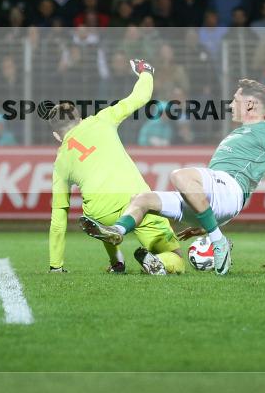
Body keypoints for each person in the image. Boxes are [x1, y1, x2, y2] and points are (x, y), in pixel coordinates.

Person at [82, 78, 265, 276]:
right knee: (142, 199)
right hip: (215, 198)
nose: (231, 105)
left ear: (250, 104)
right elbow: (224, 203)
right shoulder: (237, 133)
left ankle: (218, 242)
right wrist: (207, 222)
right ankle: (116, 231)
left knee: (180, 176)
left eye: (235, 100)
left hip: (229, 188)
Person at [47, 60, 184, 276]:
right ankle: (159, 261)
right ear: (80, 119)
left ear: (57, 136)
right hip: (138, 200)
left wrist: (56, 266)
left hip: (101, 211)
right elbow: (141, 97)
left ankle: (117, 262)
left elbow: (58, 217)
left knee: (98, 218)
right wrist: (145, 71)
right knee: (176, 257)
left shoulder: (60, 162)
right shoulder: (101, 119)